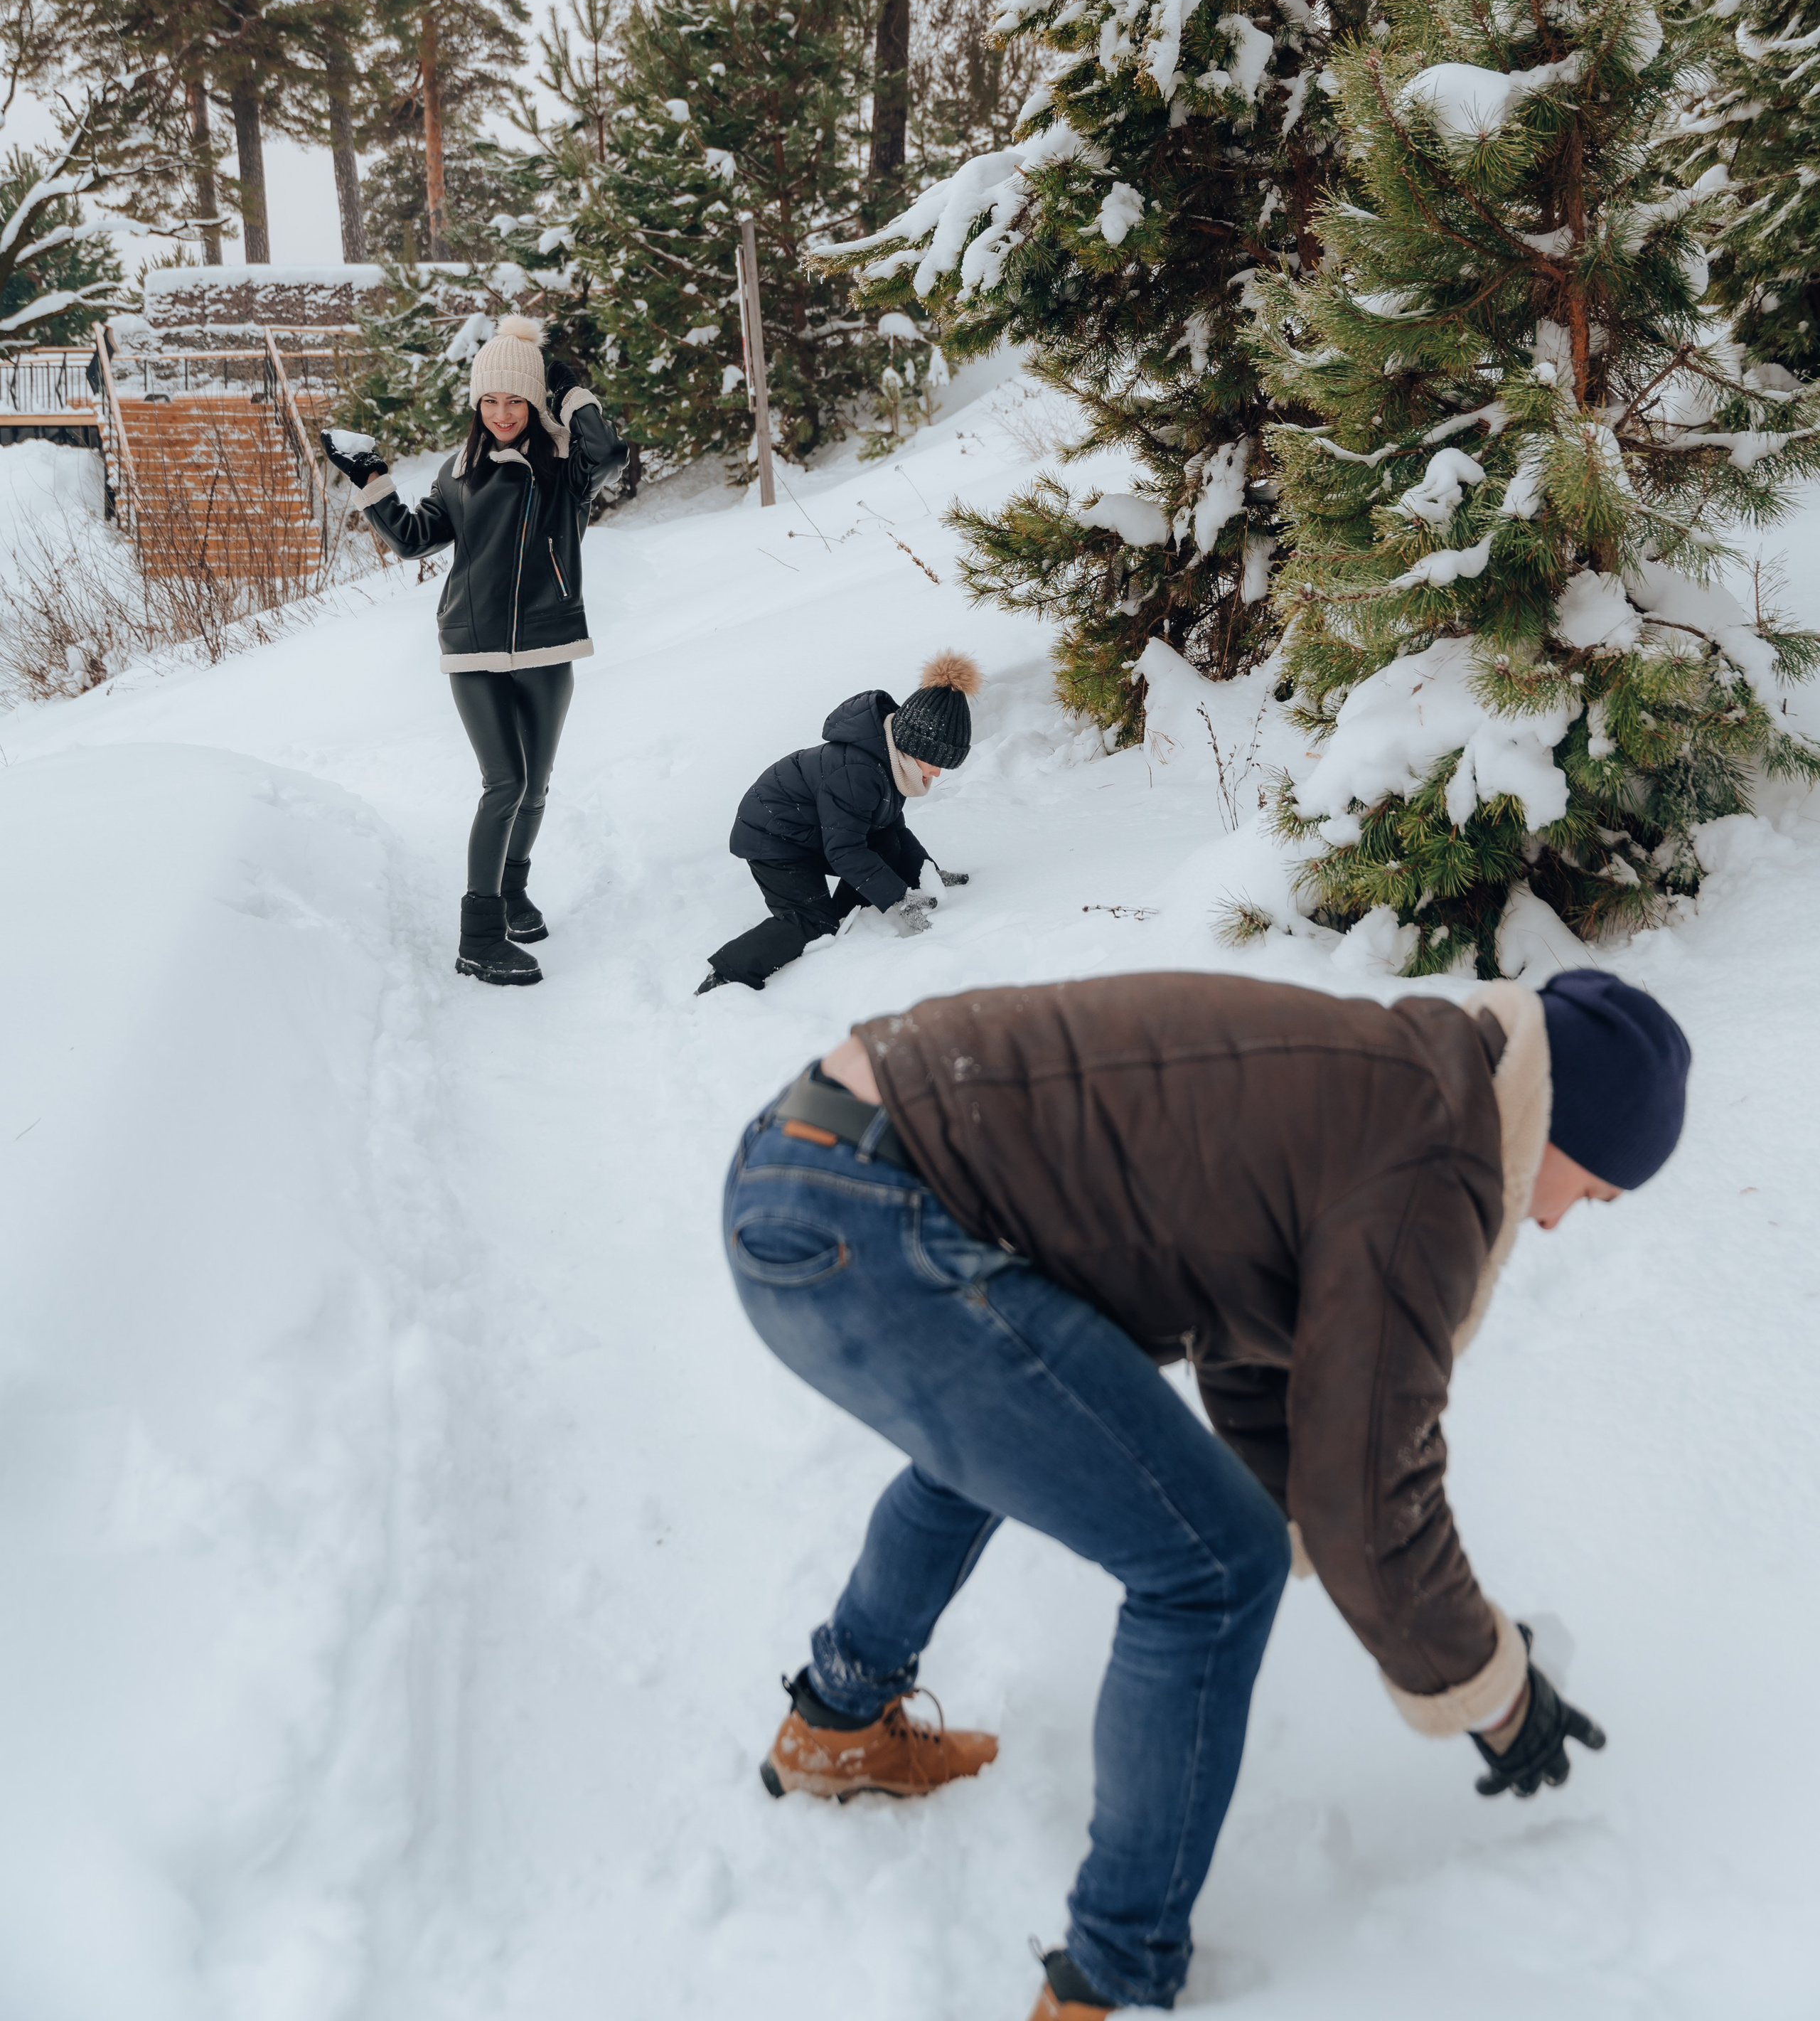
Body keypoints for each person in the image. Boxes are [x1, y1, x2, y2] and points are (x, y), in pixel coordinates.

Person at [722, 966, 1690, 2018]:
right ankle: (1117, 1975)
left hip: (806, 1165)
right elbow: (1373, 1487)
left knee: (995, 1450)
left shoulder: (1397, 1082)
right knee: (1213, 1568)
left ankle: (840, 1721)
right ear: (1566, 1124)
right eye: (1591, 1194)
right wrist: (1496, 1694)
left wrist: (1306, 1509)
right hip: (871, 1217)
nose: (1558, 1223)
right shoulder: (1434, 1161)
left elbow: (1248, 1327)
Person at [320, 315, 625, 986]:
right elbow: (411, 539)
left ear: (533, 403)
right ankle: (478, 935)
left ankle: (513, 894)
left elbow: (605, 454)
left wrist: (574, 397)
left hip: (549, 644)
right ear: (476, 405)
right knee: (505, 785)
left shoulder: (563, 473)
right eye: (490, 400)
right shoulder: (457, 474)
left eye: (515, 399)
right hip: (473, 651)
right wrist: (371, 478)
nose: (502, 412)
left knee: (536, 789)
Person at [697, 652, 980, 993]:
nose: (936, 773)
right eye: (933, 761)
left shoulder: (892, 762)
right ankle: (728, 974)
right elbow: (844, 850)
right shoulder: (859, 771)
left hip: (812, 828)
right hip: (774, 837)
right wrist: (897, 897)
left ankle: (852, 915)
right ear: (912, 744)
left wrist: (926, 872)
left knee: (886, 846)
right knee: (811, 922)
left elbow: (890, 829)